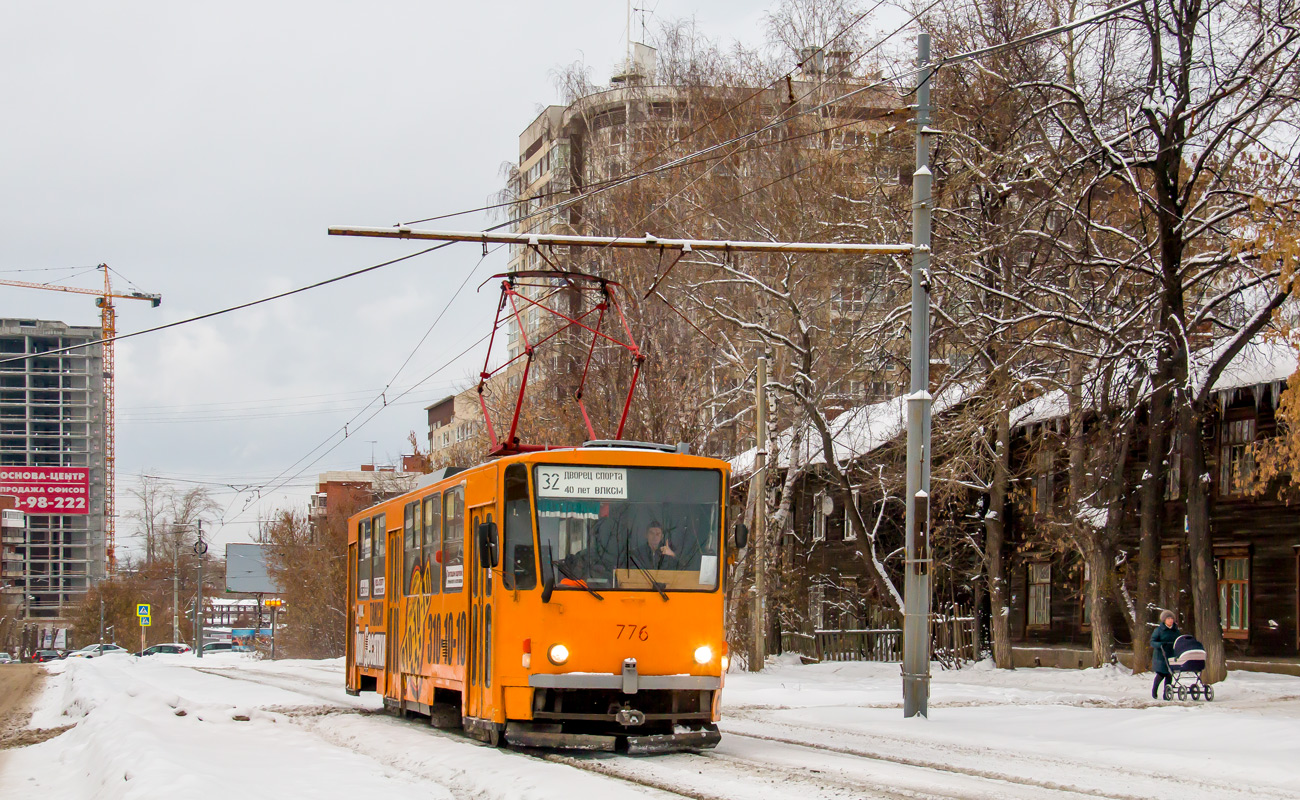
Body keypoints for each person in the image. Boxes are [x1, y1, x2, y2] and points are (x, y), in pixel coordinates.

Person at [1150, 610, 1180, 699]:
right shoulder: (1159, 630)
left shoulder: (1175, 630)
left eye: (1172, 618)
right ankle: (1154, 690)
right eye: (1168, 618)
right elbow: (1152, 642)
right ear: (1164, 620)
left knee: (1169, 674)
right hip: (1161, 655)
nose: (1170, 620)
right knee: (1161, 674)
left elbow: (1178, 640)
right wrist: (1160, 645)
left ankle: (1166, 693)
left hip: (1171, 654)